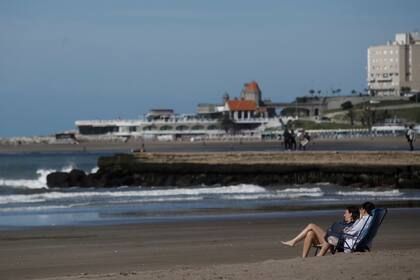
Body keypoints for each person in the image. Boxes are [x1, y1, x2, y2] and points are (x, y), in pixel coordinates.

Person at [281, 206, 359, 257]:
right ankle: (304, 258)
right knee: (310, 233)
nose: (344, 215)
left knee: (311, 225)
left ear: (351, 214)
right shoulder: (342, 222)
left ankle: (293, 241)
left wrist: (330, 232)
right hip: (328, 238)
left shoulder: (352, 225)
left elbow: (343, 236)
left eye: (345, 213)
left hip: (333, 243)